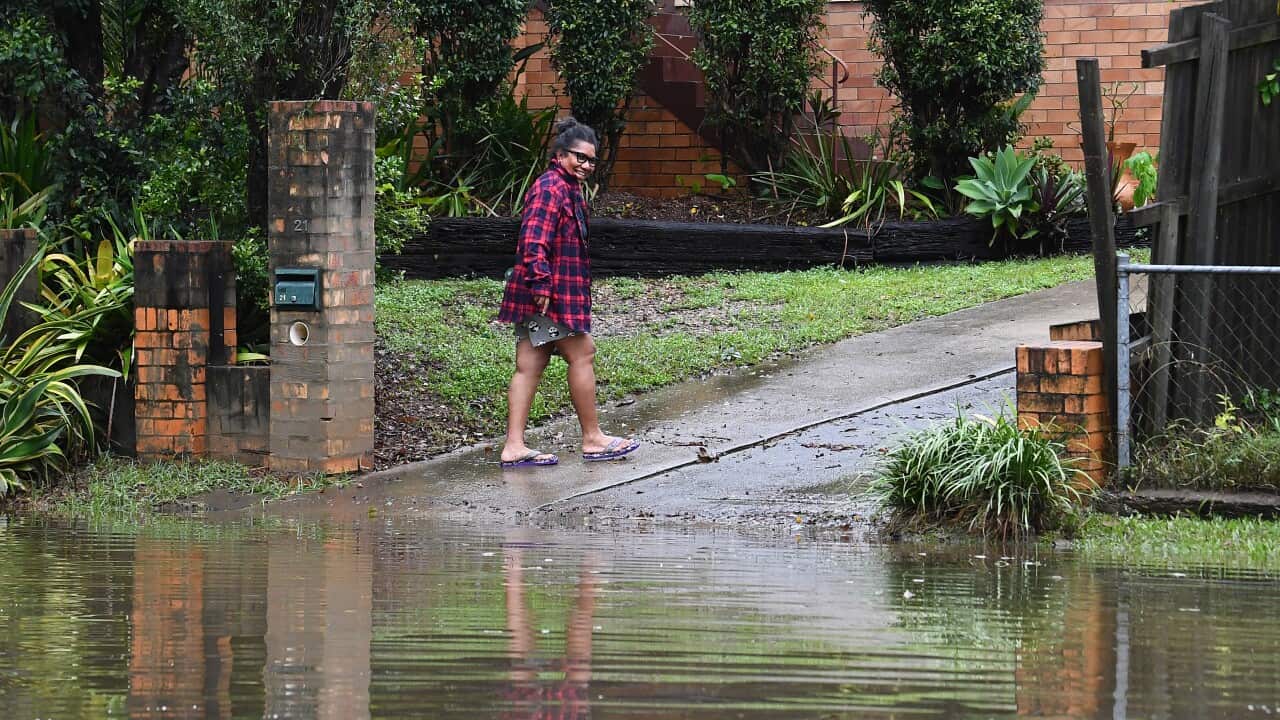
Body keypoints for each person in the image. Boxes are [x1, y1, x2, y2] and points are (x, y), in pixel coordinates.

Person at [497, 117, 640, 468]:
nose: (586, 165)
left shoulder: (567, 187)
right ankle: (593, 439)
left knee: (529, 365)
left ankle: (514, 446)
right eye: (580, 157)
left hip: (548, 292)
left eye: (591, 160)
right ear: (560, 154)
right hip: (550, 294)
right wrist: (542, 284)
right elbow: (533, 240)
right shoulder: (551, 188)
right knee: (583, 354)